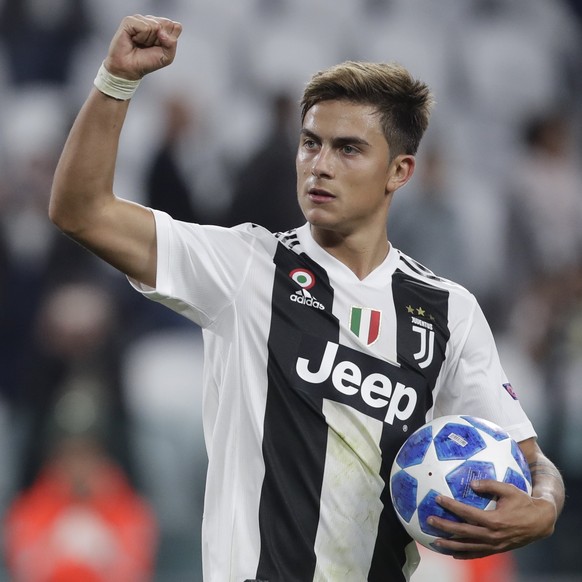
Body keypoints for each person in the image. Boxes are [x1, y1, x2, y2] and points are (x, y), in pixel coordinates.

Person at [49, 14, 565, 582]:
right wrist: (116, 81)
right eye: (310, 144)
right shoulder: (245, 267)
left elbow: (531, 461)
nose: (319, 165)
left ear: (399, 171)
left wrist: (543, 507)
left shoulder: (448, 310)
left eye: (348, 150)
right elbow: (82, 211)